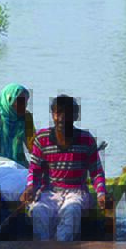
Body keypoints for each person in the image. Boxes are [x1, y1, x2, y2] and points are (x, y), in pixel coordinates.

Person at [21, 95, 107, 241]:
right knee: (38, 211)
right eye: (58, 113)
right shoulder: (42, 139)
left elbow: (96, 172)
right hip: (49, 191)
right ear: (52, 115)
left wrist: (101, 194)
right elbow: (34, 170)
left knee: (71, 210)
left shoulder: (86, 140)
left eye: (67, 113)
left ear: (75, 116)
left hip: (76, 191)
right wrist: (30, 188)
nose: (61, 118)